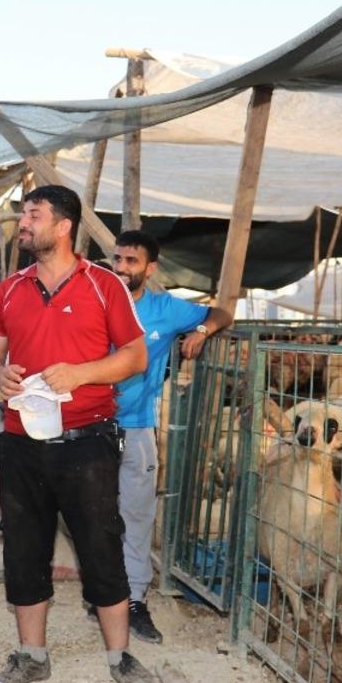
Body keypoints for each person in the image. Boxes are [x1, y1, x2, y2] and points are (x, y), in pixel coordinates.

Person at [0, 184, 154, 683]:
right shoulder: (9, 289)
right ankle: (32, 656)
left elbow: (135, 357)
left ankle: (120, 657)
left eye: (34, 215)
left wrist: (82, 373)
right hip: (20, 441)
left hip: (88, 441)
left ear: (63, 226)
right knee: (24, 550)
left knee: (102, 545)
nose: (23, 223)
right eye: (23, 214)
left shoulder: (104, 285)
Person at [102, 230, 233, 643]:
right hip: (88, 425)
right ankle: (104, 594)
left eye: (131, 261)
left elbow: (223, 312)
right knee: (93, 516)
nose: (122, 268)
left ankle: (135, 599)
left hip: (137, 425)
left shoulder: (164, 309)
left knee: (138, 514)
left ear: (150, 268)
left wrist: (203, 332)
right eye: (117, 259)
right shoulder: (96, 300)